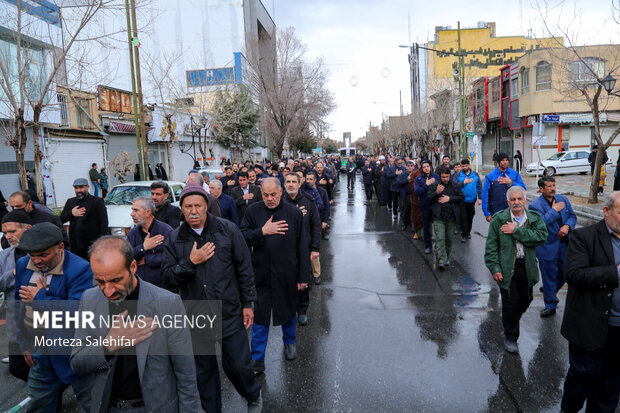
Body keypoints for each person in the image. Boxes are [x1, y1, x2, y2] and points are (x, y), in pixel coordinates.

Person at [161, 184, 262, 413]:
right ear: (182, 209)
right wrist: (190, 262)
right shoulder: (174, 239)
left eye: (198, 205)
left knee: (238, 365)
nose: (193, 211)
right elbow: (167, 279)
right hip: (195, 318)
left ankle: (253, 395)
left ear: (207, 206)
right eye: (188, 206)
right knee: (204, 372)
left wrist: (248, 303)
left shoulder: (227, 230)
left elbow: (244, 267)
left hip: (229, 311)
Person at [71, 236, 200, 413]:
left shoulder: (167, 303)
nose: (108, 291)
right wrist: (108, 346)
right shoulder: (89, 299)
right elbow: (77, 362)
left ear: (133, 266)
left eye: (116, 280)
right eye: (100, 281)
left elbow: (186, 374)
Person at [14, 222, 94, 412]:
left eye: (43, 255)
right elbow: (18, 308)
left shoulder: (81, 269)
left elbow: (78, 312)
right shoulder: (22, 265)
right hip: (40, 353)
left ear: (60, 248)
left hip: (74, 353)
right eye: (31, 255)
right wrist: (23, 344)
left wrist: (40, 298)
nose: (36, 261)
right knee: (39, 405)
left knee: (94, 403)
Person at [559, 191, 620, 413]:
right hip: (588, 326)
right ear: (606, 211)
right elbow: (574, 275)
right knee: (582, 378)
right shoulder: (584, 237)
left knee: (610, 386)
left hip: (618, 330)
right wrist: (616, 273)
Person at [240, 178, 310, 370]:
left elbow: (302, 246)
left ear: (281, 192)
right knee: (260, 318)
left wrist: (303, 277)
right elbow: (242, 237)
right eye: (265, 195)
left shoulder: (294, 213)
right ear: (261, 194)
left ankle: (289, 343)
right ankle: (258, 358)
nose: (270, 199)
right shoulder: (253, 211)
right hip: (261, 274)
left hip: (287, 272)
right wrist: (262, 231)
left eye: (273, 194)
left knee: (288, 311)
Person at [484, 186, 547, 354]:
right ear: (508, 202)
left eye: (520, 199)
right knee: (510, 303)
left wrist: (516, 231)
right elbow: (491, 247)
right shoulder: (499, 220)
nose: (517, 202)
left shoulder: (533, 218)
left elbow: (542, 237)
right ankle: (511, 337)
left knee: (526, 299)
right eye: (513, 199)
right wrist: (494, 268)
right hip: (507, 268)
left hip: (527, 266)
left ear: (525, 200)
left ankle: (510, 322)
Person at [528, 176, 576, 317]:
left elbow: (572, 217)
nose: (553, 188)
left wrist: (567, 226)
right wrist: (554, 211)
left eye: (554, 185)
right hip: (547, 246)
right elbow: (539, 224)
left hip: (565, 244)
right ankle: (550, 304)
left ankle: (549, 289)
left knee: (566, 273)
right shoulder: (535, 206)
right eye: (549, 186)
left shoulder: (563, 199)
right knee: (549, 276)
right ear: (541, 189)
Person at [283, 172, 321, 325]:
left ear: (299, 184)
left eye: (293, 181)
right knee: (286, 281)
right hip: (284, 249)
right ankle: (288, 309)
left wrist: (315, 248)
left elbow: (316, 226)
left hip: (303, 248)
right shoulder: (280, 201)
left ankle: (302, 310)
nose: (291, 184)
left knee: (303, 281)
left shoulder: (309, 201)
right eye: (288, 182)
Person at [0, 210, 31, 382]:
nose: (8, 236)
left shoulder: (42, 252)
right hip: (15, 323)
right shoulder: (4, 256)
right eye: (5, 232)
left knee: (44, 364)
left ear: (27, 228)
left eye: (12, 231)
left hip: (42, 320)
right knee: (17, 368)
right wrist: (13, 273)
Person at [126, 197, 173, 287]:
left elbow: (172, 257)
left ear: (148, 212)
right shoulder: (132, 233)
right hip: (139, 287)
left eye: (136, 210)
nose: (132, 214)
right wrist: (143, 247)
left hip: (161, 287)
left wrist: (148, 260)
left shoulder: (166, 231)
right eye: (132, 210)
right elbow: (127, 257)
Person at [59, 178, 110, 260]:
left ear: (87, 187)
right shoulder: (70, 202)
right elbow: (60, 220)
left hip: (92, 246)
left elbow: (104, 224)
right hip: (76, 246)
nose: (78, 190)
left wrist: (102, 244)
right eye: (76, 188)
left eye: (81, 187)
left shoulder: (97, 201)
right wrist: (71, 213)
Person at [427, 166, 464, 269]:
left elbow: (461, 198)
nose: (446, 179)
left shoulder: (455, 185)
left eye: (447, 177)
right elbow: (428, 198)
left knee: (449, 239)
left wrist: (450, 198)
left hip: (451, 217)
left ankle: (446, 257)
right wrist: (436, 193)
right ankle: (441, 260)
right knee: (440, 238)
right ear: (440, 176)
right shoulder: (435, 185)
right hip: (439, 217)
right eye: (443, 177)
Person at [481, 152, 526, 221]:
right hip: (496, 212)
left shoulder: (515, 174)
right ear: (499, 162)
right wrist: (487, 213)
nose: (505, 162)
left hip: (513, 211)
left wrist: (511, 183)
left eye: (507, 160)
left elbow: (523, 189)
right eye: (503, 160)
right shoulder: (490, 176)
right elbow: (485, 196)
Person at [414, 160, 439, 254]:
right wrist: (426, 185)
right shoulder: (419, 179)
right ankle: (428, 246)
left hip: (436, 205)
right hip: (424, 205)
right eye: (424, 167)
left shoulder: (436, 177)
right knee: (426, 227)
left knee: (438, 226)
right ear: (421, 168)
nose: (426, 168)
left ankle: (438, 245)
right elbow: (417, 192)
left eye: (428, 166)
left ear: (431, 167)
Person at [457, 159, 482, 242]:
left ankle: (468, 232)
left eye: (466, 166)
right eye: (463, 166)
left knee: (470, 216)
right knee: (463, 217)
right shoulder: (458, 175)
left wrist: (480, 198)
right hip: (462, 200)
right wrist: (464, 182)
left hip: (472, 199)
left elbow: (479, 186)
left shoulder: (475, 174)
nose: (464, 167)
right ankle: (464, 234)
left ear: (469, 165)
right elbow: (455, 187)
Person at [304, 171, 330, 242]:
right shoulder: (303, 191)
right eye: (307, 179)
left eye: (311, 179)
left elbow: (327, 206)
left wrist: (325, 220)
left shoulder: (322, 191)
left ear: (315, 180)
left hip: (319, 218)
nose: (308, 181)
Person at [395, 160, 416, 231]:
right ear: (406, 167)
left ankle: (413, 226)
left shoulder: (416, 174)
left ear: (414, 167)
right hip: (404, 196)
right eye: (408, 166)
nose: (410, 167)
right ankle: (405, 224)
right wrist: (407, 179)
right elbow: (398, 183)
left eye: (411, 166)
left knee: (413, 211)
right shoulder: (402, 174)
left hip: (414, 195)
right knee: (404, 211)